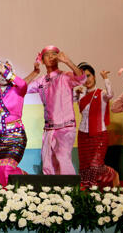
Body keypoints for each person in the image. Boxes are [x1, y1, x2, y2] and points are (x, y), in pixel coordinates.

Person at [27, 45, 86, 175]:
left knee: (63, 159)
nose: (51, 57)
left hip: (65, 126)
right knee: (47, 162)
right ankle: (51, 193)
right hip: (49, 128)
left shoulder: (65, 76)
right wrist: (34, 73)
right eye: (47, 55)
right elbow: (22, 88)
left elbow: (82, 78)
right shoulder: (41, 80)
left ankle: (69, 192)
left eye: (54, 54)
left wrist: (68, 61)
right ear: (42, 60)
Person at [73, 63, 119, 189]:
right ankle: (90, 193)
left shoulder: (102, 92)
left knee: (95, 166)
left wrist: (106, 78)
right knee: (85, 168)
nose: (87, 80)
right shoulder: (80, 94)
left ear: (94, 76)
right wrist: (75, 89)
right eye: (83, 77)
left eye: (89, 76)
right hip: (83, 134)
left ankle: (113, 174)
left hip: (99, 134)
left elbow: (110, 94)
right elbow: (69, 100)